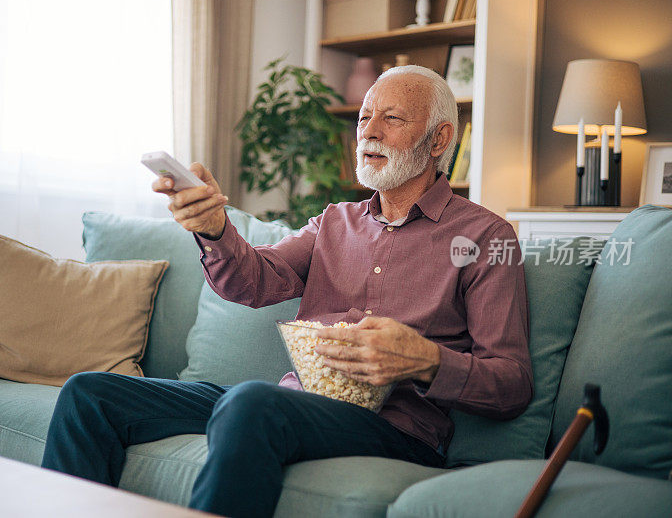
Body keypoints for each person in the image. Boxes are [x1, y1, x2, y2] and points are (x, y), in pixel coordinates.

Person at [41, 65, 534, 517]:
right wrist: (216, 229)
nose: (368, 130)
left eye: (392, 117)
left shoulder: (486, 237)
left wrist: (425, 360)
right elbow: (254, 280)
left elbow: (511, 383)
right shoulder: (335, 223)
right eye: (363, 117)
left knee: (253, 402)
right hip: (297, 405)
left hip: (398, 427)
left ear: (438, 138)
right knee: (90, 393)